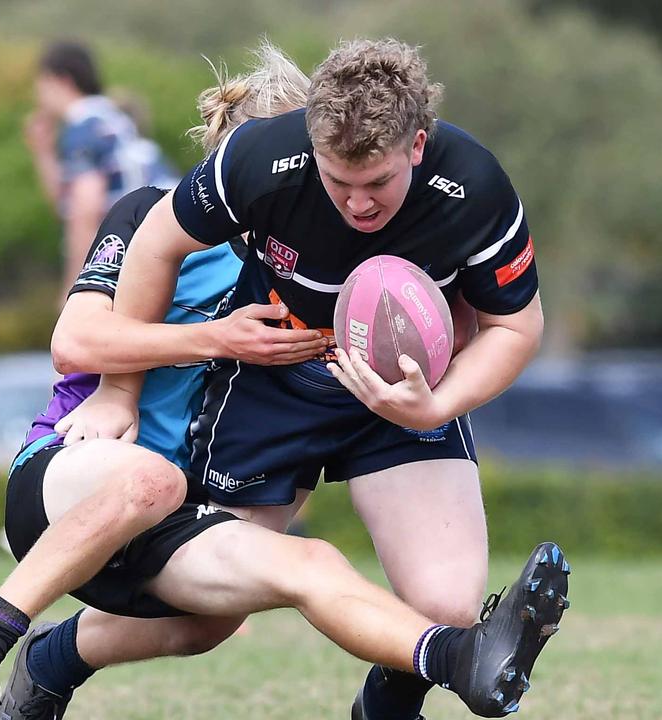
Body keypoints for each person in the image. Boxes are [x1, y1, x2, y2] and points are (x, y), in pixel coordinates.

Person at [0, 44, 569, 720]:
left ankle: (427, 679)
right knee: (190, 536)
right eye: (327, 180)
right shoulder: (171, 218)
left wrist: (441, 373)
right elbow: (75, 342)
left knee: (294, 601)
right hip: (105, 471)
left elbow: (499, 322)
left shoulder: (335, 237)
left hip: (221, 479)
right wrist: (169, 363)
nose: (339, 205)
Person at [90, 38, 547, 720]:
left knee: (446, 605)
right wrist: (118, 389)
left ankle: (384, 711)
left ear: (417, 146)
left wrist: (437, 404)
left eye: (378, 184)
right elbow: (157, 242)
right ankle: (50, 662)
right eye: (340, 184)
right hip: (277, 380)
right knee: (203, 603)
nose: (359, 205)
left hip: (404, 390)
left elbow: (517, 326)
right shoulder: (261, 160)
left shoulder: (473, 187)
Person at [24, 39, 178, 294]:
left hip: (144, 238)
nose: (38, 95)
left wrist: (76, 286)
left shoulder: (82, 127)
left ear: (60, 80)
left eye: (40, 84)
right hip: (167, 228)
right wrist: (43, 152)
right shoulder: (110, 116)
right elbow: (66, 204)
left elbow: (85, 208)